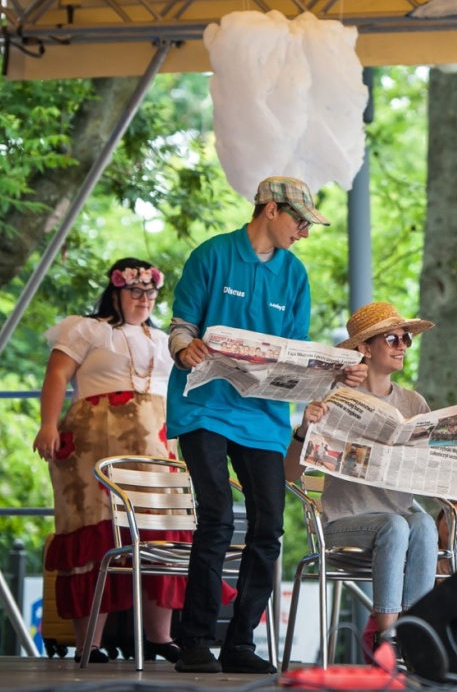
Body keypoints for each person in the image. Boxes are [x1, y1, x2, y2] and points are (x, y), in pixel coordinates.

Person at [166, 176, 366, 674]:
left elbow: (295, 354)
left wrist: (339, 365)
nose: (304, 232)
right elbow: (181, 327)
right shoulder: (211, 255)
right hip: (205, 405)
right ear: (270, 210)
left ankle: (240, 644)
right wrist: (184, 350)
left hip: (263, 417)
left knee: (268, 529)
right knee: (216, 518)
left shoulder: (295, 275)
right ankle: (193, 641)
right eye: (300, 221)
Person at [285, 302, 457, 661]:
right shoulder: (333, 399)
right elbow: (289, 475)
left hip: (398, 521)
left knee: (420, 522)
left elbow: (433, 467)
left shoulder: (413, 402)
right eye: (392, 338)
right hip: (343, 523)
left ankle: (414, 629)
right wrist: (304, 430)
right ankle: (387, 637)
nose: (402, 344)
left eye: (405, 338)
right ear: (364, 348)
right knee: (396, 524)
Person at [32, 258, 187, 664]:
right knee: (94, 535)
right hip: (92, 449)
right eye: (135, 291)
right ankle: (90, 642)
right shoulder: (87, 330)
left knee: (161, 532)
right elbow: (56, 376)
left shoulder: (164, 340)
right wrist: (48, 424)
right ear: (116, 291)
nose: (144, 299)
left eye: (150, 292)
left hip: (154, 449)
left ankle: (159, 636)